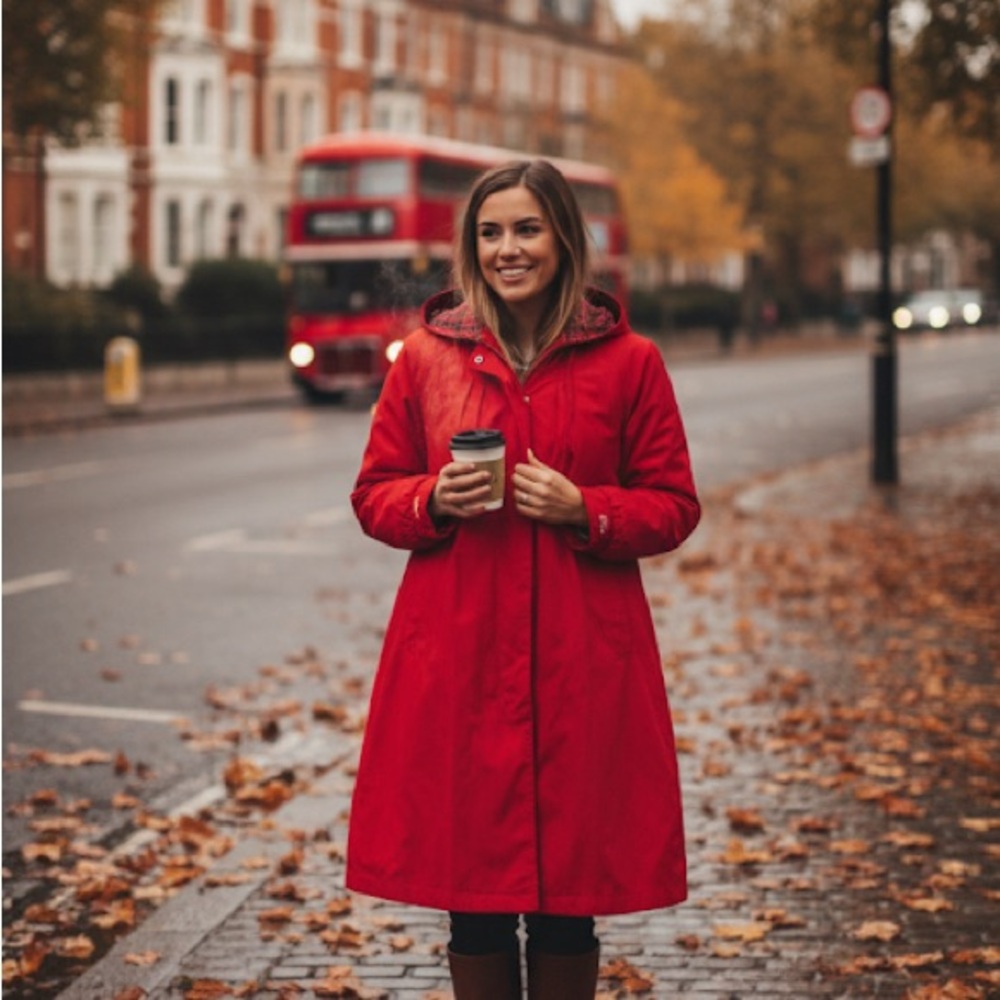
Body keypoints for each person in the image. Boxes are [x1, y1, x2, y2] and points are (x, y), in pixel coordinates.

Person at [347, 159, 701, 999]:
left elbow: (675, 504)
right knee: (469, 899)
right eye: (491, 232)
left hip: (584, 660)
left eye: (528, 229)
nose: (509, 249)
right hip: (459, 660)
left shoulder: (631, 362)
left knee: (567, 902)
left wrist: (589, 509)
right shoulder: (427, 360)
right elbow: (372, 495)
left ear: (564, 239)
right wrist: (432, 497)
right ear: (473, 248)